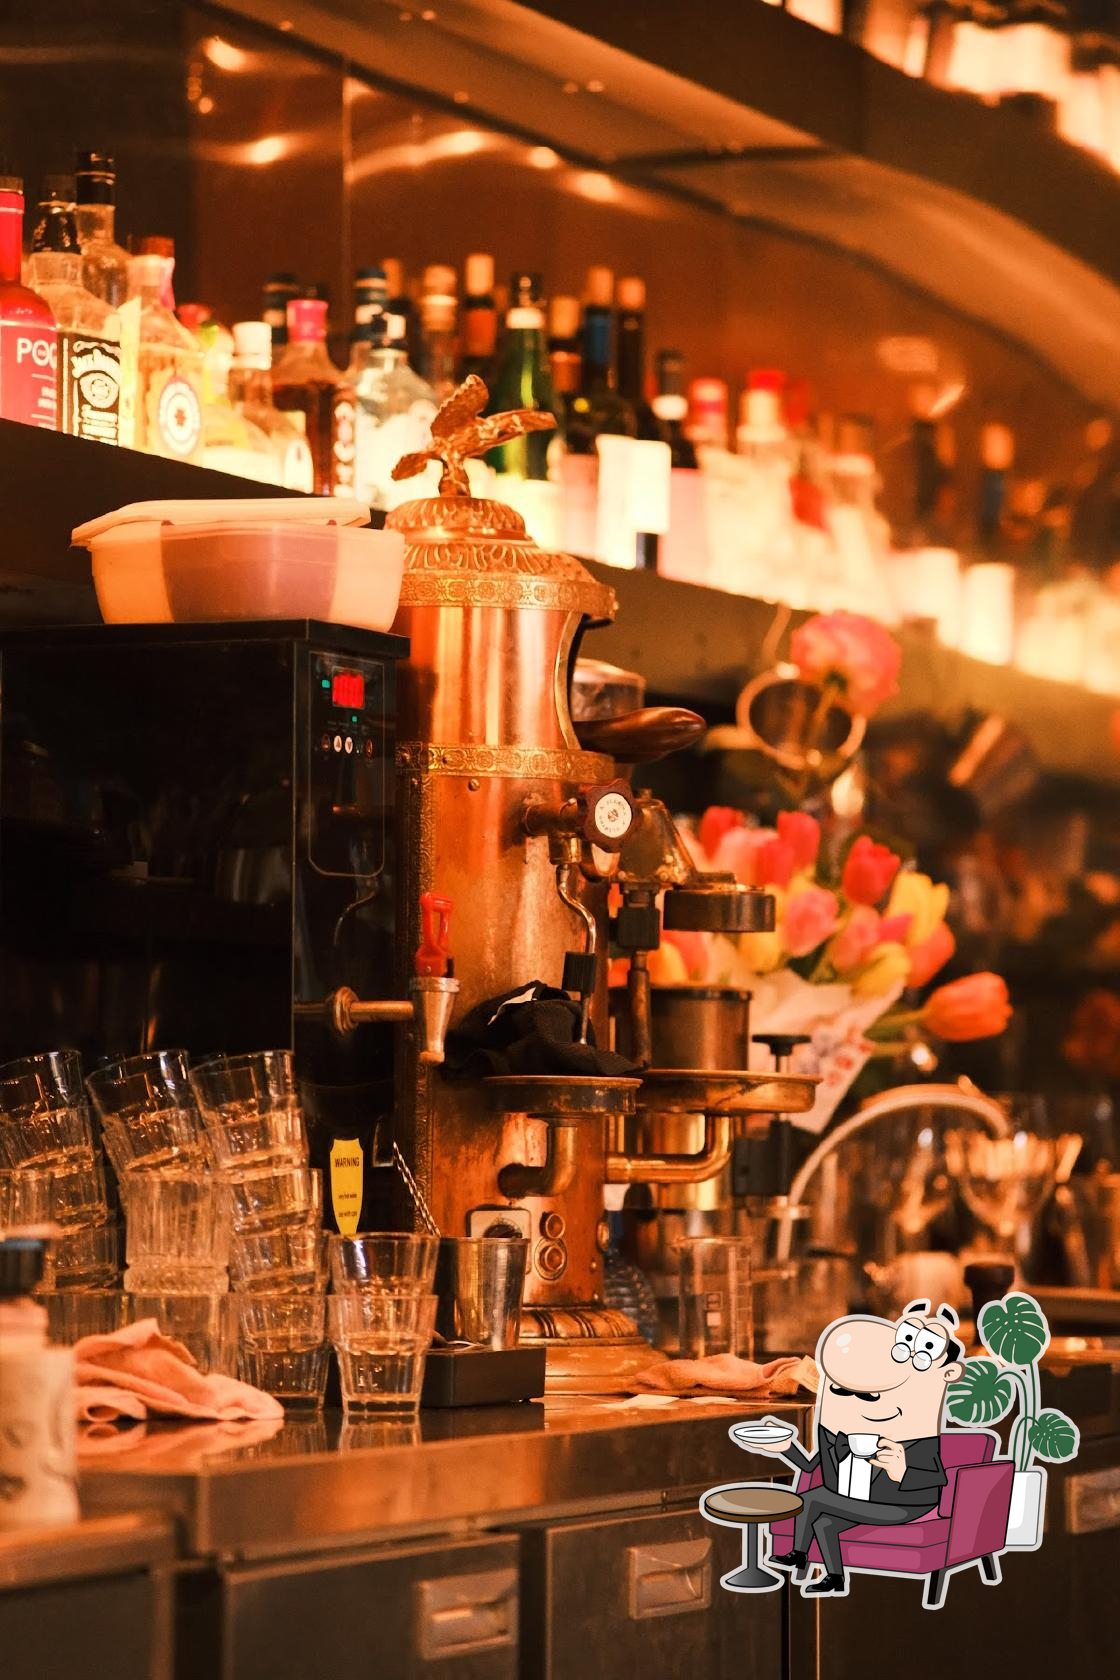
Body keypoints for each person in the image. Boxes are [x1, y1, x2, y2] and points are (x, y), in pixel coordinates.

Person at [743, 1300, 964, 1596]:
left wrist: (902, 1471)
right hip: (858, 1499)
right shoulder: (839, 1436)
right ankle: (834, 1577)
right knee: (825, 1524)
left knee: (812, 1499)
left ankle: (798, 1554)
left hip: (903, 1506)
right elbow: (811, 1466)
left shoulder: (914, 1439)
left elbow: (936, 1481)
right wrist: (785, 1447)